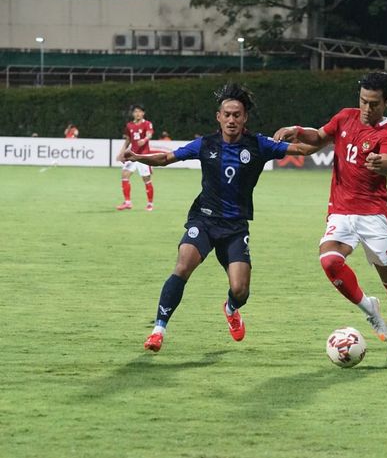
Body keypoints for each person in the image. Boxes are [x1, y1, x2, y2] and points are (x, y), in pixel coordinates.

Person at [125, 83, 318, 352]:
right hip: (203, 220)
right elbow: (167, 158)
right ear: (218, 117)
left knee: (241, 291)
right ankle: (158, 330)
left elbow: (307, 149)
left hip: (235, 227)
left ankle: (230, 308)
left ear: (244, 118)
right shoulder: (205, 144)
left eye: (236, 115)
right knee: (183, 266)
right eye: (226, 114)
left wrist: (308, 131)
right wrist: (137, 157)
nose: (231, 120)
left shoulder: (260, 145)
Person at [273, 71, 387, 359]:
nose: (366, 108)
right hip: (340, 211)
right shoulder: (345, 117)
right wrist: (298, 129)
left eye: (374, 103)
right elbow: (320, 137)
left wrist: (379, 162)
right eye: (363, 101)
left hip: (373, 215)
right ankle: (369, 308)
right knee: (329, 262)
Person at [116, 105, 155, 211]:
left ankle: (150, 203)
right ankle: (128, 202)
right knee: (124, 175)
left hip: (144, 156)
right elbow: (128, 140)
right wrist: (121, 153)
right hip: (132, 155)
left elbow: (149, 134)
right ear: (133, 113)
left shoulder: (147, 124)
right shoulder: (129, 125)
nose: (137, 113)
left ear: (143, 113)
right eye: (135, 112)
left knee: (146, 179)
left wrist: (145, 139)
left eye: (139, 111)